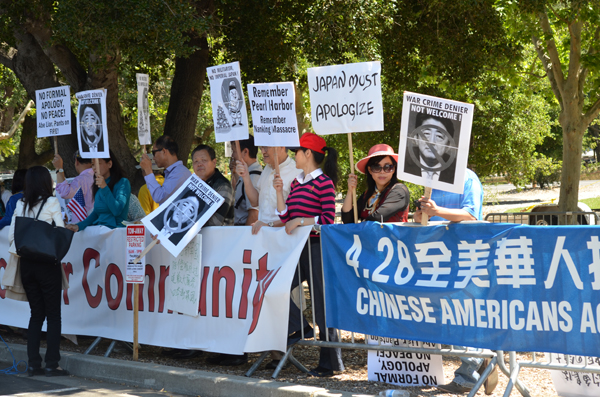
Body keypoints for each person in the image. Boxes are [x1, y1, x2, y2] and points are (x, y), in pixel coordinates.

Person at [414, 168, 497, 394]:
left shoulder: (467, 178)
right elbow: (424, 217)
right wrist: (422, 214)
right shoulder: (429, 179)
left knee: (459, 315)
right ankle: (476, 363)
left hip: (465, 258)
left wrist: (436, 210)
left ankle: (473, 367)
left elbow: (471, 215)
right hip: (437, 258)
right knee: (442, 317)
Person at [273, 132, 344, 377]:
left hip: (316, 249)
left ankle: (330, 363)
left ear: (308, 154)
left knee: (322, 306)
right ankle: (301, 327)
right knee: (276, 287)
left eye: (297, 151)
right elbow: (285, 217)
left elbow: (327, 221)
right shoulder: (296, 182)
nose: (294, 155)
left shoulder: (324, 183)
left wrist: (301, 220)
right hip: (297, 249)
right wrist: (280, 192)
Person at [8, 166, 69, 376]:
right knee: (53, 315)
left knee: (36, 315)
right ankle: (52, 363)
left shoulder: (19, 203)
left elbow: (11, 236)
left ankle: (33, 363)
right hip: (47, 263)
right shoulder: (51, 202)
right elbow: (60, 231)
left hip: (26, 264)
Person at [238, 146, 301, 234]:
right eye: (261, 148)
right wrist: (245, 176)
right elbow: (255, 202)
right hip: (263, 236)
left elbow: (296, 216)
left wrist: (269, 225)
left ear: (281, 147)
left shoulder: (297, 172)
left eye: (266, 148)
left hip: (285, 237)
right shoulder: (267, 168)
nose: (263, 152)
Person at [341, 144, 410, 224]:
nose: (382, 172)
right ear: (370, 170)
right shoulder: (367, 194)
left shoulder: (399, 191)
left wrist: (359, 227)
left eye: (388, 167)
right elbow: (347, 220)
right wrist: (350, 191)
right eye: (377, 167)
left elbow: (378, 217)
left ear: (394, 169)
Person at [66, 150, 130, 232]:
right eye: (93, 164)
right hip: (99, 230)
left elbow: (116, 210)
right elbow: (96, 212)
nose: (94, 168)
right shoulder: (97, 185)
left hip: (116, 233)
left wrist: (104, 187)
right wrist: (79, 226)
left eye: (98, 163)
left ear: (109, 164)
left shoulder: (123, 183)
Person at [404, 112, 458, 184]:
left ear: (448, 145)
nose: (431, 141)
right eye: (426, 134)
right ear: (416, 138)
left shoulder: (457, 170)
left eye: (439, 136)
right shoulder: (402, 159)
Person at [140, 135, 191, 205]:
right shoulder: (175, 172)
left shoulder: (180, 173)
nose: (153, 158)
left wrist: (149, 171)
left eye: (154, 153)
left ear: (164, 151)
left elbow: (160, 197)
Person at [191, 144, 234, 226]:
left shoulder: (222, 186)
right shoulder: (193, 185)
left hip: (220, 237)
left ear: (214, 162)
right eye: (196, 161)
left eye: (204, 160)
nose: (199, 164)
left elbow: (215, 222)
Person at [231, 136, 262, 226]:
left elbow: (254, 215)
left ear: (245, 152)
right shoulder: (249, 173)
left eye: (234, 151)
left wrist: (245, 238)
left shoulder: (253, 177)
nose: (232, 155)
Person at [53, 151, 95, 216]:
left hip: (86, 221)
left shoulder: (81, 179)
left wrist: (59, 168)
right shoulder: (99, 176)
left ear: (76, 161)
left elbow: (65, 192)